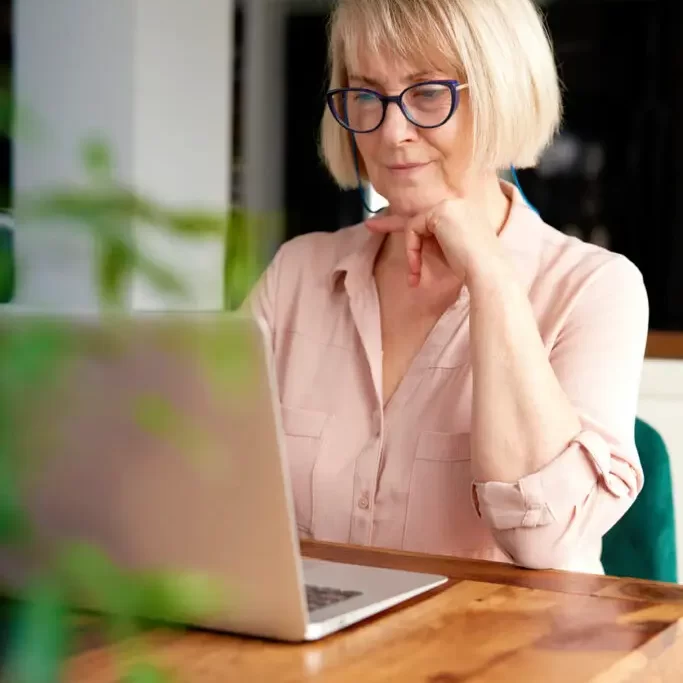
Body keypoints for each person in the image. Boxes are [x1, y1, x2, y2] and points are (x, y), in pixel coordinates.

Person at [247, 0, 649, 573]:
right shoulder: (296, 275)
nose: (391, 133)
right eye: (365, 94)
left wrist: (491, 279)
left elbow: (547, 542)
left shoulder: (596, 288)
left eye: (428, 92)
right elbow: (200, 482)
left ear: (502, 92)